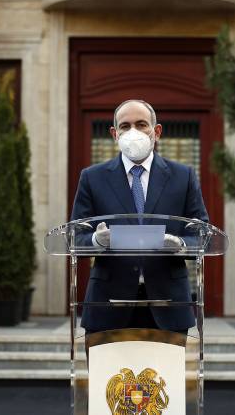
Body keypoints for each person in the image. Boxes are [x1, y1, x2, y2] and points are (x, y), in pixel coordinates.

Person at [70, 99, 209, 336]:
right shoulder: (92, 177)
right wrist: (96, 241)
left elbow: (202, 234)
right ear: (114, 134)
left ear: (157, 131)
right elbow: (74, 237)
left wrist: (180, 244)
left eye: (141, 124)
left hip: (169, 304)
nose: (133, 131)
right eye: (125, 126)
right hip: (108, 305)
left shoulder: (182, 176)